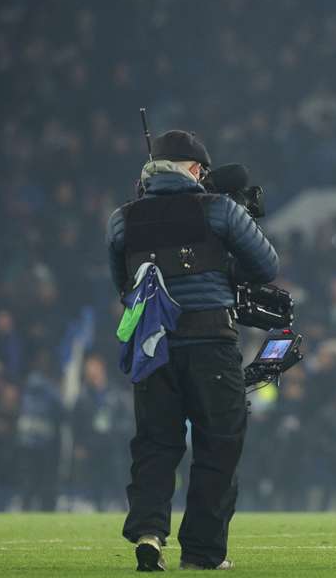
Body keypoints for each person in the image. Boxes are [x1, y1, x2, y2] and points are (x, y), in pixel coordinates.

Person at [107, 130, 280, 571]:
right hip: (210, 344)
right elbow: (266, 265)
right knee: (218, 444)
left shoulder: (122, 219)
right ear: (195, 168)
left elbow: (122, 283)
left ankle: (149, 532)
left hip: (152, 347)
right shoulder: (219, 209)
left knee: (155, 443)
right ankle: (202, 553)